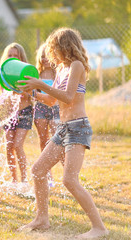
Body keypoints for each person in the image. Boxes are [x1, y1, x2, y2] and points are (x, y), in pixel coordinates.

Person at [18, 28, 108, 239]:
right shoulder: (61, 69)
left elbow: (68, 97)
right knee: (38, 170)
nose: (52, 54)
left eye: (54, 49)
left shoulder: (77, 66)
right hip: (63, 129)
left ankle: (99, 228)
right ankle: (42, 219)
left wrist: (40, 83)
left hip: (78, 127)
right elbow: (52, 100)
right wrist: (31, 92)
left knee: (69, 179)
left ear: (65, 46)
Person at [0, 43, 33, 184]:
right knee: (9, 146)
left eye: (15, 55)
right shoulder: (4, 75)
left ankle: (24, 179)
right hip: (10, 115)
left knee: (18, 145)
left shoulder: (26, 73)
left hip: (25, 112)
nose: (12, 58)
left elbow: (31, 94)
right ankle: (14, 180)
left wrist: (25, 92)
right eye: (9, 55)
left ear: (20, 57)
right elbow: (2, 98)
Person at [33, 43, 60, 186]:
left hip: (55, 109)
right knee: (43, 140)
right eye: (42, 56)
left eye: (48, 56)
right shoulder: (37, 74)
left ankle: (66, 171)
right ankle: (48, 174)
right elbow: (33, 92)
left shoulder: (58, 74)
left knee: (57, 140)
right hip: (40, 110)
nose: (45, 59)